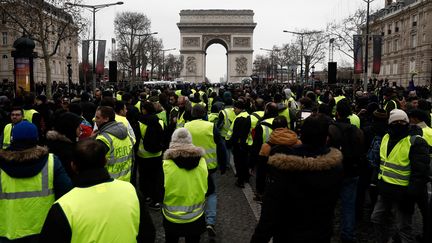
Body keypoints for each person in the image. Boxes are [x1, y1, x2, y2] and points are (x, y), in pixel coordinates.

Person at [250, 114, 343, 243]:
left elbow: (270, 213)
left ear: (301, 136)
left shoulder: (285, 169)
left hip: (289, 235)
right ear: (326, 138)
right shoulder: (335, 167)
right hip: (321, 234)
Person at [40, 139, 156, 243]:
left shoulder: (63, 206)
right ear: (105, 161)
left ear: (73, 166)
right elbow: (148, 234)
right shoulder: (131, 191)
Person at [0, 121, 72, 242]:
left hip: (7, 232)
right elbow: (67, 194)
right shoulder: (51, 162)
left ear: (12, 138)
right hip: (43, 231)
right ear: (37, 138)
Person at [371, 109, 430, 243]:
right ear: (390, 123)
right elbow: (382, 162)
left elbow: (420, 172)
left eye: (402, 121)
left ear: (407, 122)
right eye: (396, 121)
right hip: (385, 189)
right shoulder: (386, 137)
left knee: (403, 228)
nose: (399, 124)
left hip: (403, 194)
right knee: (376, 219)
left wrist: (410, 194)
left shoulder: (415, 141)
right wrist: (375, 181)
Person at [184, 104, 227, 237]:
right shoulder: (210, 126)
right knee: (211, 193)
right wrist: (223, 164)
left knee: (194, 191)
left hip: (191, 166)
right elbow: (221, 147)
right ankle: (210, 221)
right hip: (209, 166)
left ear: (192, 113)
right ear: (204, 114)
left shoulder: (185, 127)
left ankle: (194, 217)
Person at [162, 128, 209, 243]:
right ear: (190, 142)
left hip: (172, 219)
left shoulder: (165, 165)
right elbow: (210, 188)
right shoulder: (202, 162)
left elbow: (158, 192)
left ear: (172, 142)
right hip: (196, 217)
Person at [136, 101, 165, 210]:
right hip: (157, 153)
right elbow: (164, 137)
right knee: (157, 177)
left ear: (144, 110)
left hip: (143, 154)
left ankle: (146, 196)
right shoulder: (160, 122)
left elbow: (137, 138)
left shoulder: (140, 122)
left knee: (144, 176)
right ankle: (157, 199)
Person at [94, 106, 134, 182]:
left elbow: (95, 165)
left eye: (98, 118)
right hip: (126, 180)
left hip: (110, 182)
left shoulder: (103, 139)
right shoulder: (127, 134)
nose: (95, 120)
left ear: (106, 119)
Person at [46, 112, 82, 177]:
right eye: (78, 126)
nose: (81, 128)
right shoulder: (65, 151)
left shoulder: (57, 142)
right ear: (70, 128)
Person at [226, 99, 252, 188]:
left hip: (238, 144)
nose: (234, 110)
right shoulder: (247, 115)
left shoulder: (239, 118)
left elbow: (235, 133)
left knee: (239, 163)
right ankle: (246, 177)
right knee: (244, 161)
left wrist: (230, 142)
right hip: (246, 143)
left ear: (239, 108)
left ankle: (240, 181)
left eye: (235, 108)